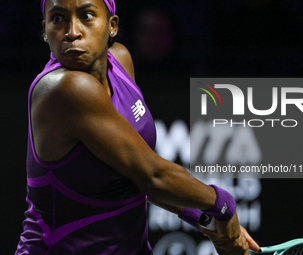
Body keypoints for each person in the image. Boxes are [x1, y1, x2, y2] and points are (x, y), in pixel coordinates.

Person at [15, 0, 261, 254]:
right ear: (44, 29)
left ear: (112, 25)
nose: (72, 31)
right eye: (58, 19)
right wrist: (223, 206)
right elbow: (153, 175)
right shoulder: (65, 89)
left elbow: (131, 173)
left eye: (87, 15)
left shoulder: (121, 61)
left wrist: (203, 218)